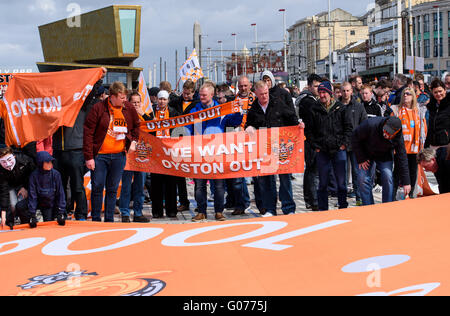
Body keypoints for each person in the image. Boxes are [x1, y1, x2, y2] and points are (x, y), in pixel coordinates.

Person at [83, 81, 140, 222]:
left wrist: (134, 141)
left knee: (113, 188)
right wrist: (89, 157)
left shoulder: (128, 108)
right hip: (100, 156)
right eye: (121, 98)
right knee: (97, 187)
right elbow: (88, 133)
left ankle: (109, 219)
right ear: (112, 96)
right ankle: (96, 219)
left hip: (118, 155)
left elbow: (136, 126)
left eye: (125, 97)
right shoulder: (98, 108)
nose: (124, 100)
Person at [245, 81, 303, 217]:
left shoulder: (277, 103)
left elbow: (292, 118)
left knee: (285, 179)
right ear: (256, 94)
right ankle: (270, 209)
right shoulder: (253, 108)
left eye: (266, 93)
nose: (265, 96)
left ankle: (289, 208)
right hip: (264, 149)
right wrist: (249, 128)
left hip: (280, 146)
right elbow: (249, 124)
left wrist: (299, 125)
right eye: (261, 94)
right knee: (267, 181)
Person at [187, 84, 236, 222]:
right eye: (200, 95)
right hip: (199, 152)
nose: (201, 97)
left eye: (204, 95)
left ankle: (219, 212)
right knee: (200, 185)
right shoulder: (195, 110)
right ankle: (201, 211)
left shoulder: (221, 110)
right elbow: (187, 128)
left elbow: (234, 121)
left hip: (217, 152)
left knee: (219, 185)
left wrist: (238, 111)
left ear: (211, 95)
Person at [306, 81, 352, 211]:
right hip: (322, 150)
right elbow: (309, 131)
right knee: (323, 183)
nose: (322, 95)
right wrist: (316, 146)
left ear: (330, 94)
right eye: (320, 92)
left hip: (338, 149)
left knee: (341, 183)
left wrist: (344, 144)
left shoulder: (340, 108)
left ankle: (343, 205)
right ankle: (323, 209)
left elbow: (348, 128)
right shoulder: (314, 109)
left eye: (324, 92)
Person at [352, 116, 411, 205]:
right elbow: (355, 137)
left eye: (389, 133)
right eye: (385, 130)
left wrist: (406, 182)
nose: (385, 134)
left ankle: (387, 205)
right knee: (362, 178)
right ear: (385, 123)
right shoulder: (370, 124)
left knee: (387, 175)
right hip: (366, 153)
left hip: (384, 155)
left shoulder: (398, 137)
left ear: (396, 132)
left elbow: (402, 157)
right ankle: (368, 206)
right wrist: (361, 158)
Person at [118, 91, 151, 223]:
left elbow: (154, 127)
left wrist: (143, 114)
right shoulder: (124, 115)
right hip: (128, 154)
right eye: (134, 102)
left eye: (138, 102)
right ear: (129, 103)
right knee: (126, 186)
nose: (136, 105)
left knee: (140, 186)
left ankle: (138, 212)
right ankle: (125, 213)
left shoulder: (146, 116)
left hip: (142, 155)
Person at [390, 87, 427, 199]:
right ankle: (392, 196)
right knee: (396, 173)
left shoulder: (419, 111)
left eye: (408, 94)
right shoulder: (396, 110)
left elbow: (423, 128)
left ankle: (411, 195)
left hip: (414, 148)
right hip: (400, 148)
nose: (405, 96)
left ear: (413, 97)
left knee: (412, 173)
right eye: (404, 94)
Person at [149, 90, 180, 219]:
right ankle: (157, 211)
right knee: (156, 182)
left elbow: (179, 127)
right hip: (156, 151)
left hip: (170, 151)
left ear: (168, 100)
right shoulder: (151, 112)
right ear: (156, 99)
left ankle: (171, 210)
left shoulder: (173, 112)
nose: (162, 101)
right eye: (160, 99)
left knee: (171, 182)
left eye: (164, 99)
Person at [169, 79, 198, 213]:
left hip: (192, 140)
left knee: (196, 173)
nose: (186, 96)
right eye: (184, 93)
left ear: (193, 92)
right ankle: (183, 201)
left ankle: (200, 201)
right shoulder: (176, 102)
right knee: (179, 174)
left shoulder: (198, 104)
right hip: (177, 139)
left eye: (188, 94)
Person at [296, 74, 322, 211]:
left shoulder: (308, 99)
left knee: (311, 170)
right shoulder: (309, 102)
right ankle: (313, 199)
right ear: (310, 86)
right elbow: (313, 122)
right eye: (316, 86)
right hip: (310, 139)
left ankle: (309, 198)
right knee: (313, 170)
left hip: (309, 139)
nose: (319, 89)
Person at [340, 82, 367, 206]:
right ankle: (342, 199)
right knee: (342, 173)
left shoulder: (358, 106)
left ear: (351, 91)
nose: (346, 93)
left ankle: (359, 197)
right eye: (343, 91)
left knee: (357, 172)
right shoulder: (337, 106)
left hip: (356, 143)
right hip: (341, 144)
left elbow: (364, 124)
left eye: (347, 90)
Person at [0, 146, 36, 230]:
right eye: (3, 162)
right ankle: (10, 223)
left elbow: (33, 175)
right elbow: (3, 190)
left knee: (21, 204)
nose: (8, 164)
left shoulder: (25, 160)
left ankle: (26, 222)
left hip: (24, 184)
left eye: (9, 160)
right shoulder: (1, 170)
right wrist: (3, 212)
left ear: (14, 157)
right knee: (12, 205)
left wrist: (25, 187)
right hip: (10, 186)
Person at [28, 151, 66, 225]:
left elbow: (60, 194)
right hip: (41, 202)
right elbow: (33, 195)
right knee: (21, 206)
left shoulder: (56, 174)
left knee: (51, 223)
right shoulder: (33, 176)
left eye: (51, 162)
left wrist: (61, 212)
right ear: (40, 163)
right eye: (47, 162)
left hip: (52, 204)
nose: (50, 164)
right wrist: (32, 214)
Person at [425, 79, 450, 154]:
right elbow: (430, 128)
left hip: (446, 146)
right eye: (435, 92)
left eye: (440, 91)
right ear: (432, 93)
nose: (438, 94)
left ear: (445, 90)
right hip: (433, 146)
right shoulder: (431, 107)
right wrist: (426, 146)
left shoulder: (448, 106)